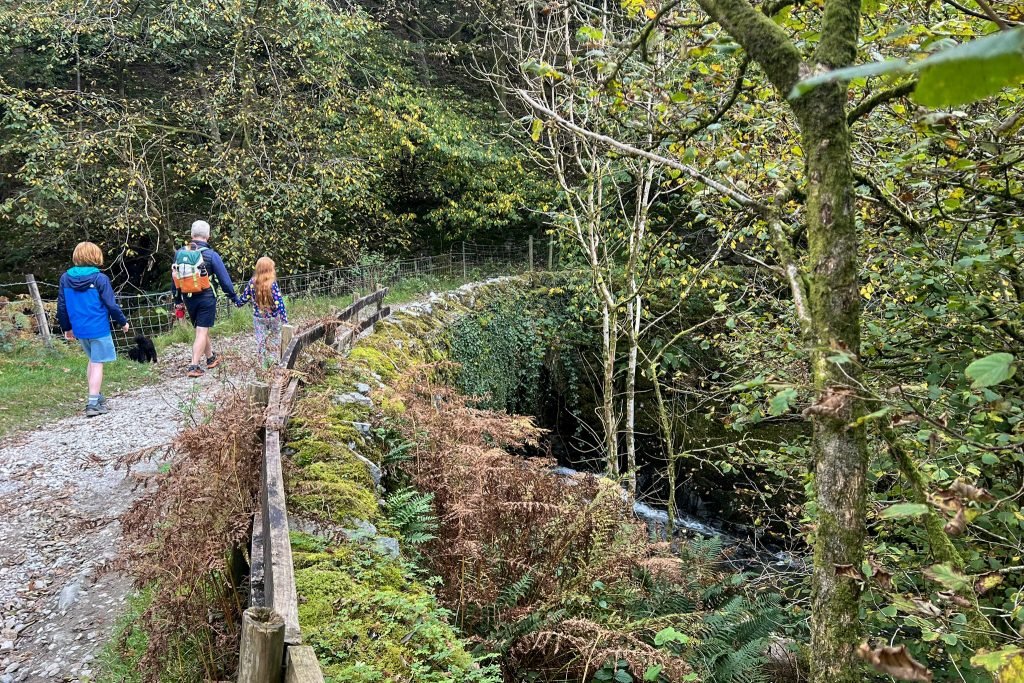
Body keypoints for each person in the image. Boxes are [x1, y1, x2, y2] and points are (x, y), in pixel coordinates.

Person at [56, 241, 130, 417]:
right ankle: (92, 403)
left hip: (79, 328)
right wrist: (122, 322)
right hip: (98, 328)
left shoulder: (65, 278)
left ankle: (96, 395)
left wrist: (67, 327)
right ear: (96, 257)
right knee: (97, 363)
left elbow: (61, 306)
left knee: (92, 359)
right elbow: (111, 304)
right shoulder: (100, 279)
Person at [172, 219, 239, 378]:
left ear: (191, 234)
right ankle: (193, 366)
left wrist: (177, 301)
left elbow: (174, 278)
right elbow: (224, 279)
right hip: (206, 297)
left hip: (188, 297)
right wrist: (234, 297)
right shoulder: (211, 255)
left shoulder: (180, 254)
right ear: (208, 236)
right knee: (201, 331)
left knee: (201, 328)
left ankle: (211, 358)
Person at [236, 257, 288, 368]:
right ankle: (273, 362)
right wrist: (284, 319)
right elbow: (279, 303)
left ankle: (263, 365)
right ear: (270, 269)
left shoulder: (252, 282)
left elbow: (244, 298)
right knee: (275, 338)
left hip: (258, 318)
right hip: (274, 317)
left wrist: (237, 303)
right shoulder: (272, 284)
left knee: (261, 340)